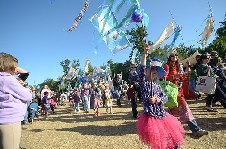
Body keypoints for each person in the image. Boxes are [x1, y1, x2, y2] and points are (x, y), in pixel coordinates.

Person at [136, 44, 184, 149]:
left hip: (163, 115)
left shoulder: (158, 86)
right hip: (151, 117)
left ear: (158, 74)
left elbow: (165, 98)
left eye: (155, 72)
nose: (153, 73)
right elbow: (141, 68)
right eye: (151, 71)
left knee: (172, 139)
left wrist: (158, 99)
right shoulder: (144, 83)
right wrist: (144, 54)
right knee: (159, 142)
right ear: (146, 72)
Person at [162, 52, 208, 137]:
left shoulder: (178, 66)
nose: (174, 56)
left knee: (173, 112)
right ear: (169, 57)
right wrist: (173, 77)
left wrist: (186, 72)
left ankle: (169, 129)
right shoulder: (166, 66)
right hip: (172, 92)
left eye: (176, 55)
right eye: (172, 55)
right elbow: (163, 78)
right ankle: (196, 130)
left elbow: (182, 78)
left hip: (178, 91)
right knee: (185, 109)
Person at [0, 52, 32, 149]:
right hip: (9, 120)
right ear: (10, 66)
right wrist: (25, 88)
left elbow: (26, 73)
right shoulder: (8, 79)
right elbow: (27, 97)